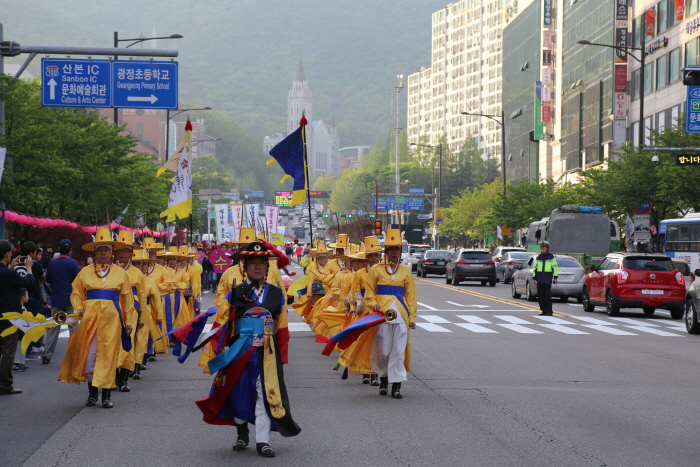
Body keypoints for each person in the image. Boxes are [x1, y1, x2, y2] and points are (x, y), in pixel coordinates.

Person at [195, 241, 300, 457]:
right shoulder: (234, 294)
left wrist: (282, 354)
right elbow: (221, 322)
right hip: (240, 350)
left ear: (267, 267)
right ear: (245, 266)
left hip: (267, 352)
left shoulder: (276, 294)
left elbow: (282, 326)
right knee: (239, 392)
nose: (258, 267)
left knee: (265, 394)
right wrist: (221, 346)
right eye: (253, 263)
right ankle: (242, 431)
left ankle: (263, 441)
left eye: (262, 263)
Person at [58, 228, 135, 408]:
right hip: (90, 319)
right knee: (90, 356)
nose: (103, 253)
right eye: (100, 250)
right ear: (95, 252)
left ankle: (106, 396)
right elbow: (76, 292)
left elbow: (127, 299)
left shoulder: (121, 274)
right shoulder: (84, 271)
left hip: (112, 321)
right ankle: (92, 394)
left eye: (106, 250)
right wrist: (79, 307)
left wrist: (129, 321)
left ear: (111, 253)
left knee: (107, 355)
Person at [340, 230, 417, 399]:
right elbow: (369, 291)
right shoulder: (376, 269)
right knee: (383, 349)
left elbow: (411, 295)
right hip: (382, 314)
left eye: (397, 249)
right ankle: (383, 379)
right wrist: (372, 302)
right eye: (391, 249)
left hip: (401, 313)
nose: (394, 252)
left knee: (398, 350)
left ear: (401, 252)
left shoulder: (405, 272)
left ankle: (396, 386)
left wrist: (412, 317)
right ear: (386, 253)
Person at [0, 241, 35, 395]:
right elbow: (29, 282)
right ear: (7, 254)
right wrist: (28, 267)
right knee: (8, 351)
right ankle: (5, 385)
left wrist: (11, 267)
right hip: (9, 317)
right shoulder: (9, 274)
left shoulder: (8, 272)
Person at [43, 239, 82, 364]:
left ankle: (47, 355)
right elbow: (78, 280)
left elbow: (48, 279)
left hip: (57, 299)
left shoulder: (52, 263)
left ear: (59, 249)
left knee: (54, 327)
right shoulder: (73, 263)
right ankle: (75, 354)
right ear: (70, 250)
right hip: (71, 300)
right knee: (73, 327)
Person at [531, 241, 558, 316]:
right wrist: (534, 278)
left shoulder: (551, 257)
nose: (542, 248)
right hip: (539, 279)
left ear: (547, 248)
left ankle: (549, 311)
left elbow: (555, 268)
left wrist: (555, 277)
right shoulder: (538, 257)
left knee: (547, 295)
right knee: (540, 296)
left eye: (544, 247)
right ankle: (543, 310)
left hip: (547, 279)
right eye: (541, 247)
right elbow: (534, 268)